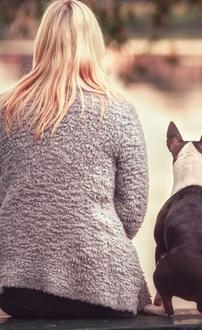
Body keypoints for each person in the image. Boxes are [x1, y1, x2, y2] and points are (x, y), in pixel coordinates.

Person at [0, 0, 151, 319]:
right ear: (94, 45)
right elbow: (132, 211)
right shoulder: (119, 113)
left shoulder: (5, 111)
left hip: (17, 291)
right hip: (104, 290)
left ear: (42, 44)